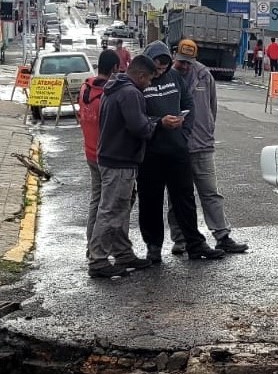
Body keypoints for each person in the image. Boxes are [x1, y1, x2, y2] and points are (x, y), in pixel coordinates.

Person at [138, 41, 225, 262]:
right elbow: (135, 116)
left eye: (163, 67)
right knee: (151, 201)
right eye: (156, 67)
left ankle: (195, 244)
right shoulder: (141, 81)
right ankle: (154, 247)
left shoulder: (175, 78)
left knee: (185, 199)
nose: (160, 71)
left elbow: (189, 105)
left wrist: (184, 133)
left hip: (177, 149)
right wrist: (159, 123)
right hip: (150, 153)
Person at [167, 39, 248, 255]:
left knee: (210, 193)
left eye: (189, 62)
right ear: (175, 56)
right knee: (177, 196)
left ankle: (222, 236)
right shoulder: (168, 77)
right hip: (178, 147)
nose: (185, 66)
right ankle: (179, 239)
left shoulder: (204, 75)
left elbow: (212, 107)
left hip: (202, 144)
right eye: (181, 61)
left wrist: (208, 130)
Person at [88, 55, 165, 279]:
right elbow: (139, 127)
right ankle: (98, 259)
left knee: (120, 208)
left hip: (111, 156)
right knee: (111, 209)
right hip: (120, 159)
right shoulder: (131, 93)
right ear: (140, 75)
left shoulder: (114, 87)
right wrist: (156, 124)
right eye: (149, 79)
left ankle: (122, 253)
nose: (149, 84)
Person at [77, 49, 120, 259]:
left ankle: (90, 243)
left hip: (90, 152)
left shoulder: (85, 88)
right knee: (108, 204)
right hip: (105, 155)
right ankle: (100, 246)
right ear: (114, 68)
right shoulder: (107, 95)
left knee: (96, 199)